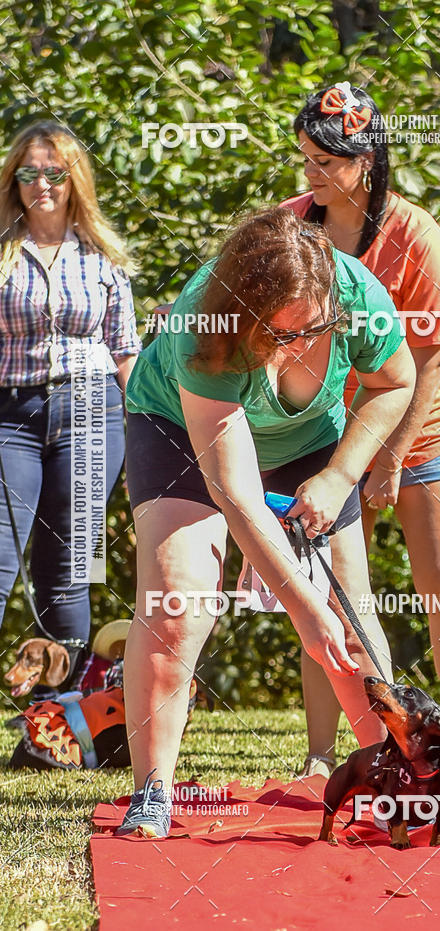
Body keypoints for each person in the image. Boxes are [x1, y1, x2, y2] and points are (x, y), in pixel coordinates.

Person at [117, 206, 416, 838]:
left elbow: (395, 383)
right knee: (179, 600)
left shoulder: (359, 297)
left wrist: (340, 476)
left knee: (350, 616)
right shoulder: (203, 324)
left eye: (313, 329)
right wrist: (303, 608)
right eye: (278, 334)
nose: (298, 347)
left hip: (309, 444)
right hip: (180, 432)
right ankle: (152, 791)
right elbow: (235, 492)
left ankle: (393, 781)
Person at [283, 82, 440, 774]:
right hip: (330, 435)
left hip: (424, 429)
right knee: (327, 594)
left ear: (365, 161)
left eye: (325, 161)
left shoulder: (417, 237)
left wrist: (392, 457)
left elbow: (430, 360)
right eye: (305, 158)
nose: (310, 172)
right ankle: (321, 756)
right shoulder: (292, 227)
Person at [0, 120, 141, 692]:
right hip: (12, 414)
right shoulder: (2, 250)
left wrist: (152, 430)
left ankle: (61, 711)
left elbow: (125, 350)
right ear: (14, 181)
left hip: (92, 412)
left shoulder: (103, 256)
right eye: (28, 173)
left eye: (54, 173)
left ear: (73, 180)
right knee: (0, 559)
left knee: (70, 568)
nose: (42, 184)